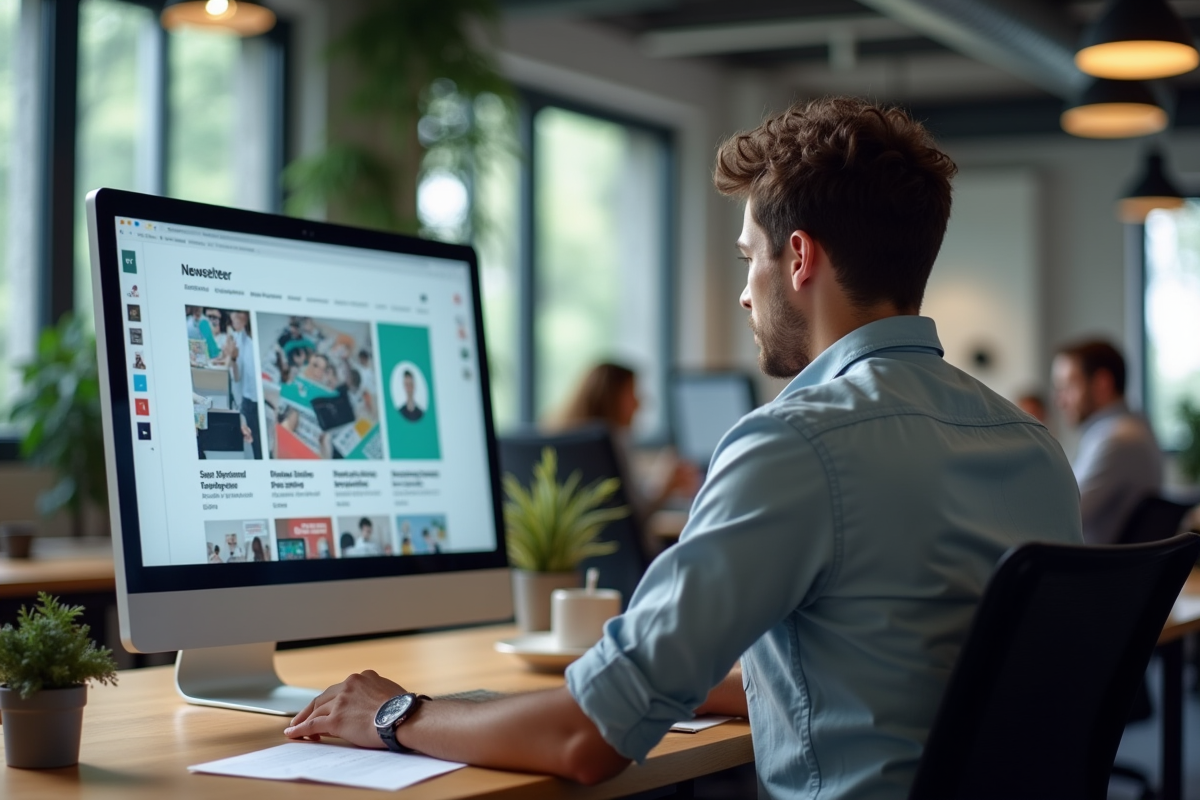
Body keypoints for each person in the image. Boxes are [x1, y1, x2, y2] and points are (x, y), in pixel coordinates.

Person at [283, 98, 1082, 796]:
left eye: (748, 258)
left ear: (797, 258)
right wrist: (678, 684)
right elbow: (916, 678)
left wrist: (396, 713)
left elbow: (584, 742)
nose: (744, 289)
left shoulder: (797, 442)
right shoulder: (1034, 446)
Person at [548, 362, 699, 524]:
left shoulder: (564, 442)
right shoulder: (610, 444)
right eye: (633, 394)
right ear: (612, 397)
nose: (639, 404)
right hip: (632, 548)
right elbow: (632, 516)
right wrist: (664, 489)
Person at [1052, 339, 1162, 544]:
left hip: (1090, 571)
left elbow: (1060, 518)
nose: (1060, 400)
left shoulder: (1116, 439)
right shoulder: (1137, 428)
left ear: (1102, 383)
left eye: (1067, 387)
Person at [227, 311, 262, 459]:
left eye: (239, 313)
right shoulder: (237, 339)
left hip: (264, 401)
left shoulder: (257, 339)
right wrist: (233, 359)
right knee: (257, 450)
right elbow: (236, 377)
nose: (234, 317)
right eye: (233, 314)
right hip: (249, 402)